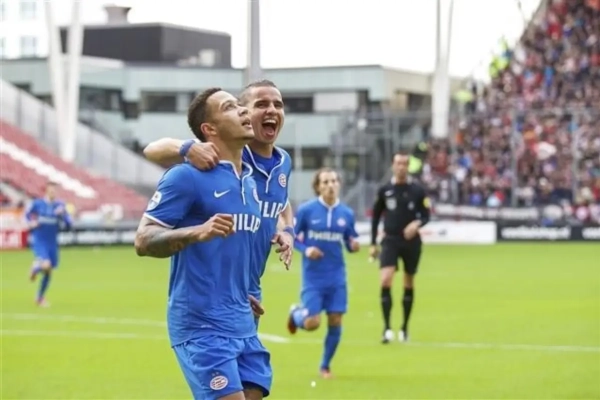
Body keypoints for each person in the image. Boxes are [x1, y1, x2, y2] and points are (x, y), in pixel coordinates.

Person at [134, 88, 272, 400]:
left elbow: (235, 250)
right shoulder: (185, 177)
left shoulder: (249, 182)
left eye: (241, 105)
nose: (243, 110)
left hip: (242, 320)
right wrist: (196, 232)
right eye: (230, 107)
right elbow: (143, 240)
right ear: (209, 129)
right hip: (201, 325)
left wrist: (243, 289)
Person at [142, 80, 294, 325]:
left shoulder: (283, 162)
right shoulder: (228, 153)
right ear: (245, 111)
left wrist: (287, 231)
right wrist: (188, 148)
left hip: (248, 287)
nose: (272, 110)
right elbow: (152, 149)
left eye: (278, 105)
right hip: (211, 294)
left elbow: (281, 204)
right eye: (261, 104)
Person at [287, 168, 360, 379]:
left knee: (335, 320)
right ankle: (295, 314)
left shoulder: (346, 213)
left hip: (337, 276)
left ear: (339, 184)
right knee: (312, 323)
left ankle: (325, 366)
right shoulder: (307, 210)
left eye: (334, 181)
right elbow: (292, 237)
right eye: (325, 182)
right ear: (318, 187)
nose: (330, 185)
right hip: (313, 278)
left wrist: (353, 245)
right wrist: (306, 249)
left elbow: (350, 240)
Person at [369, 151, 431, 344]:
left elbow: (426, 215)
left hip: (411, 242)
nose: (401, 167)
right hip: (390, 240)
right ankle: (387, 328)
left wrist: (416, 224)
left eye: (404, 163)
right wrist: (373, 243)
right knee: (386, 279)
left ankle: (404, 328)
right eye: (398, 163)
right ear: (393, 165)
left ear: (408, 166)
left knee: (408, 281)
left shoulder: (417, 190)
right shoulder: (385, 190)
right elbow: (376, 217)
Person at [25, 181, 72, 307]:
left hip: (52, 242)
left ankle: (39, 297)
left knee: (49, 271)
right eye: (51, 190)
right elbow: (27, 214)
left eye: (55, 190)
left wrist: (63, 215)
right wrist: (31, 223)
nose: (53, 192)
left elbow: (68, 223)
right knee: (46, 264)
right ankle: (36, 267)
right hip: (40, 240)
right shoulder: (38, 204)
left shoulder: (60, 205)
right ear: (46, 190)